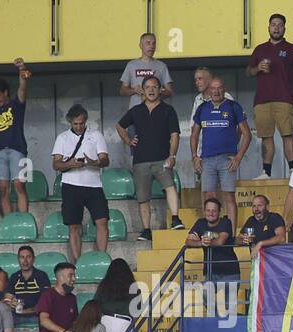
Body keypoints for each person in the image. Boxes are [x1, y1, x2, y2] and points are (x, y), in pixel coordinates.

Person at [116, 75, 182, 239]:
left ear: (160, 90)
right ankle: (146, 230)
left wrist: (172, 155)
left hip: (163, 158)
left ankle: (175, 219)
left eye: (154, 87)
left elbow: (175, 135)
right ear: (142, 91)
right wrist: (129, 141)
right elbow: (119, 125)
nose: (151, 90)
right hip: (140, 160)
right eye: (147, 87)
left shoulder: (168, 110)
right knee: (143, 197)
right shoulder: (136, 110)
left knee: (170, 187)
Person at [247, 12, 293, 178]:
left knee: (287, 134)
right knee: (266, 137)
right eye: (274, 25)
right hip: (262, 100)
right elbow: (248, 71)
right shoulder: (260, 49)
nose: (276, 28)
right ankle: (266, 172)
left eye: (280, 25)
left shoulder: (292, 49)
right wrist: (258, 67)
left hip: (284, 98)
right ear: (268, 27)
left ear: (284, 28)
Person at [52, 104, 111, 262]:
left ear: (86, 121)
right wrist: (70, 164)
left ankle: (101, 258)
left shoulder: (96, 135)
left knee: (102, 221)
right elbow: (56, 164)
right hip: (71, 185)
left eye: (81, 123)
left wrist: (95, 162)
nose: (78, 127)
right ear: (70, 122)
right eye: (75, 124)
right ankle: (77, 262)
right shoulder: (62, 138)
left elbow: (105, 160)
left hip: (94, 185)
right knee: (74, 225)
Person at [190, 76, 251, 215]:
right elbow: (194, 135)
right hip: (207, 160)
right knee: (209, 198)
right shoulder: (202, 108)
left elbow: (247, 134)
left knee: (229, 196)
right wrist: (194, 156)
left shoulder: (233, 106)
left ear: (224, 89)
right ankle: (210, 234)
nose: (216, 91)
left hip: (227, 159)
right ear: (209, 91)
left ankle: (231, 234)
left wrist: (238, 157)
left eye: (219, 88)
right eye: (213, 88)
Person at [0, 61, 30, 214]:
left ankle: (23, 220)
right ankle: (8, 224)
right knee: (3, 189)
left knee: (19, 185)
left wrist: (21, 69)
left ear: (5, 93)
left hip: (19, 150)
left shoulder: (17, 105)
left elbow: (22, 88)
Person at [185, 197, 239, 320]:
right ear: (204, 211)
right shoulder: (200, 223)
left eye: (214, 210)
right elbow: (187, 241)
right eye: (208, 210)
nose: (211, 213)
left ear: (219, 212)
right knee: (205, 294)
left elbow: (220, 241)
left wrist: (205, 241)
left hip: (230, 271)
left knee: (228, 310)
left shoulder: (226, 222)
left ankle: (225, 330)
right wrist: (200, 243)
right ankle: (216, 321)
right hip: (210, 272)